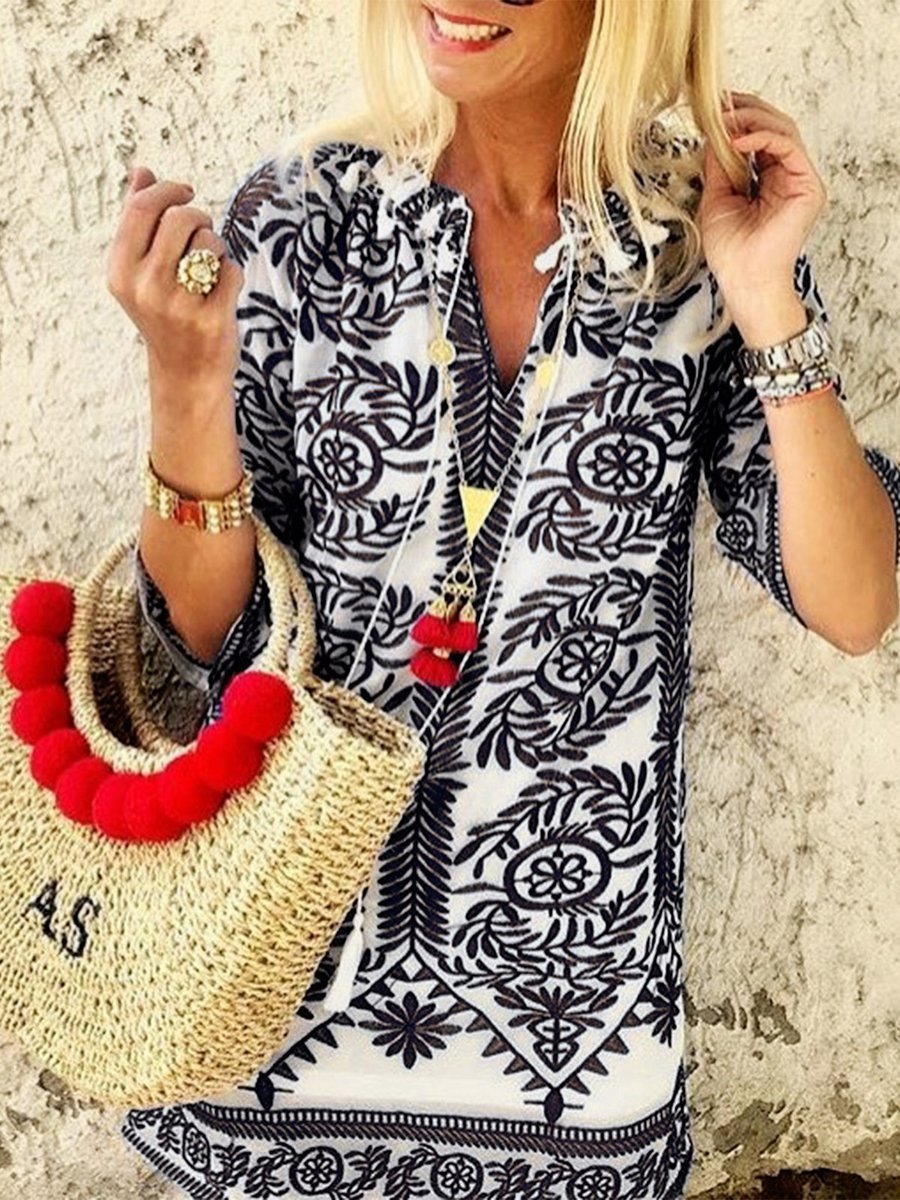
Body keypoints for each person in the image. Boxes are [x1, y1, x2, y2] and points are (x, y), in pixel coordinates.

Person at [108, 1, 900, 1197]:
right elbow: (205, 641)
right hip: (277, 1010)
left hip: (575, 1052)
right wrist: (183, 379)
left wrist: (765, 293)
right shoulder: (304, 220)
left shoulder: (699, 239)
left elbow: (854, 603)